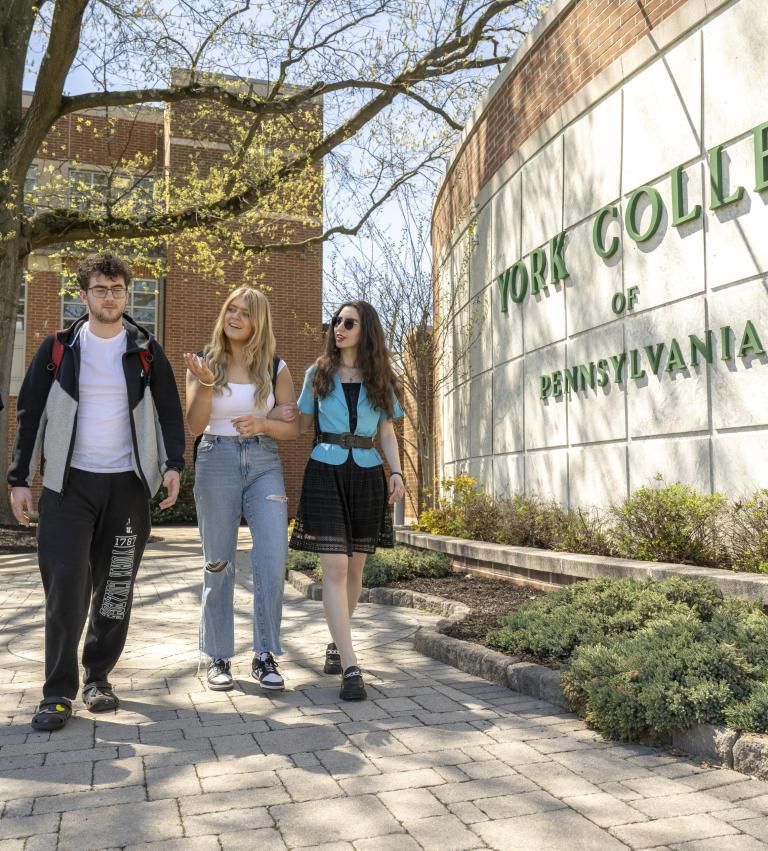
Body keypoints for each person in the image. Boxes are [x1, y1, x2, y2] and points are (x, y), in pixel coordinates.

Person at [8, 252, 185, 731]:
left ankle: (98, 678)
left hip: (127, 487)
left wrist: (173, 466)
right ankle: (57, 692)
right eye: (101, 289)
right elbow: (30, 415)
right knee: (65, 588)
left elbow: (170, 410)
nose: (110, 297)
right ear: (83, 295)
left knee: (116, 589)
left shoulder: (146, 350)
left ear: (128, 293)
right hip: (69, 486)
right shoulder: (59, 348)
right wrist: (19, 478)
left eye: (118, 289)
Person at [184, 287, 299, 692]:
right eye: (231, 309)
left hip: (264, 461)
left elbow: (293, 426)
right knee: (218, 562)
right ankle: (218, 656)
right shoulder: (204, 362)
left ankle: (264, 654)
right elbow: (195, 427)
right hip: (216, 459)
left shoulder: (275, 366)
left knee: (271, 558)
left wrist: (264, 423)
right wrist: (205, 385)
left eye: (244, 313)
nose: (235, 316)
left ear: (257, 322)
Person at [290, 300, 405, 700]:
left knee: (356, 571)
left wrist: (397, 471)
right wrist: (263, 419)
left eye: (348, 322)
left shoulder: (381, 378)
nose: (339, 327)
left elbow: (387, 432)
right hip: (324, 471)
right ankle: (352, 667)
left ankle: (337, 644)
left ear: (365, 330)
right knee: (335, 568)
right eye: (336, 321)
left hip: (367, 473)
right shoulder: (316, 373)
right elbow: (301, 422)